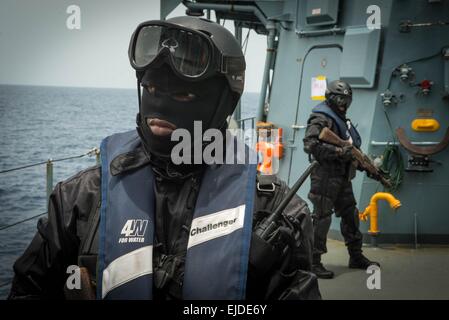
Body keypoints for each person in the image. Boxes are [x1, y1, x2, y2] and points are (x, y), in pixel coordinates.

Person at [9, 16, 320, 300]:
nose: (159, 108)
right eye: (151, 87)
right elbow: (29, 289)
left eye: (184, 96)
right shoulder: (81, 198)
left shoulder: (277, 213)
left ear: (224, 104)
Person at [303, 80, 380, 279]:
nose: (343, 103)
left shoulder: (341, 119)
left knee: (350, 215)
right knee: (321, 218)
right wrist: (338, 151)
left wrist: (367, 167)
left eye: (346, 100)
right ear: (329, 98)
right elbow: (310, 144)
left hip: (342, 177)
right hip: (324, 176)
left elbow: (352, 151)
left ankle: (356, 256)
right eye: (339, 99)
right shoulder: (321, 117)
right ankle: (314, 261)